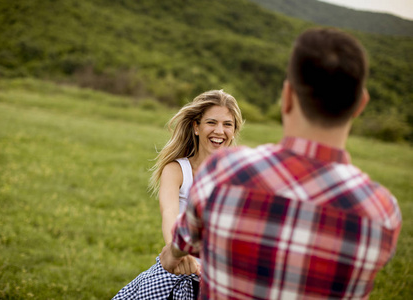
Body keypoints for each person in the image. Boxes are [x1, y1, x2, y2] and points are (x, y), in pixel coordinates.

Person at [160, 28, 402, 299]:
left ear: (287, 97)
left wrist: (171, 256)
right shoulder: (383, 213)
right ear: (361, 104)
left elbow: (179, 245)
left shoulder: (224, 172)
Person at [113, 90, 244, 299]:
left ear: (234, 130)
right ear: (196, 127)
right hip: (180, 270)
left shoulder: (241, 175)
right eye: (212, 122)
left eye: (227, 124)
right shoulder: (177, 170)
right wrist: (177, 254)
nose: (219, 131)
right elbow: (170, 214)